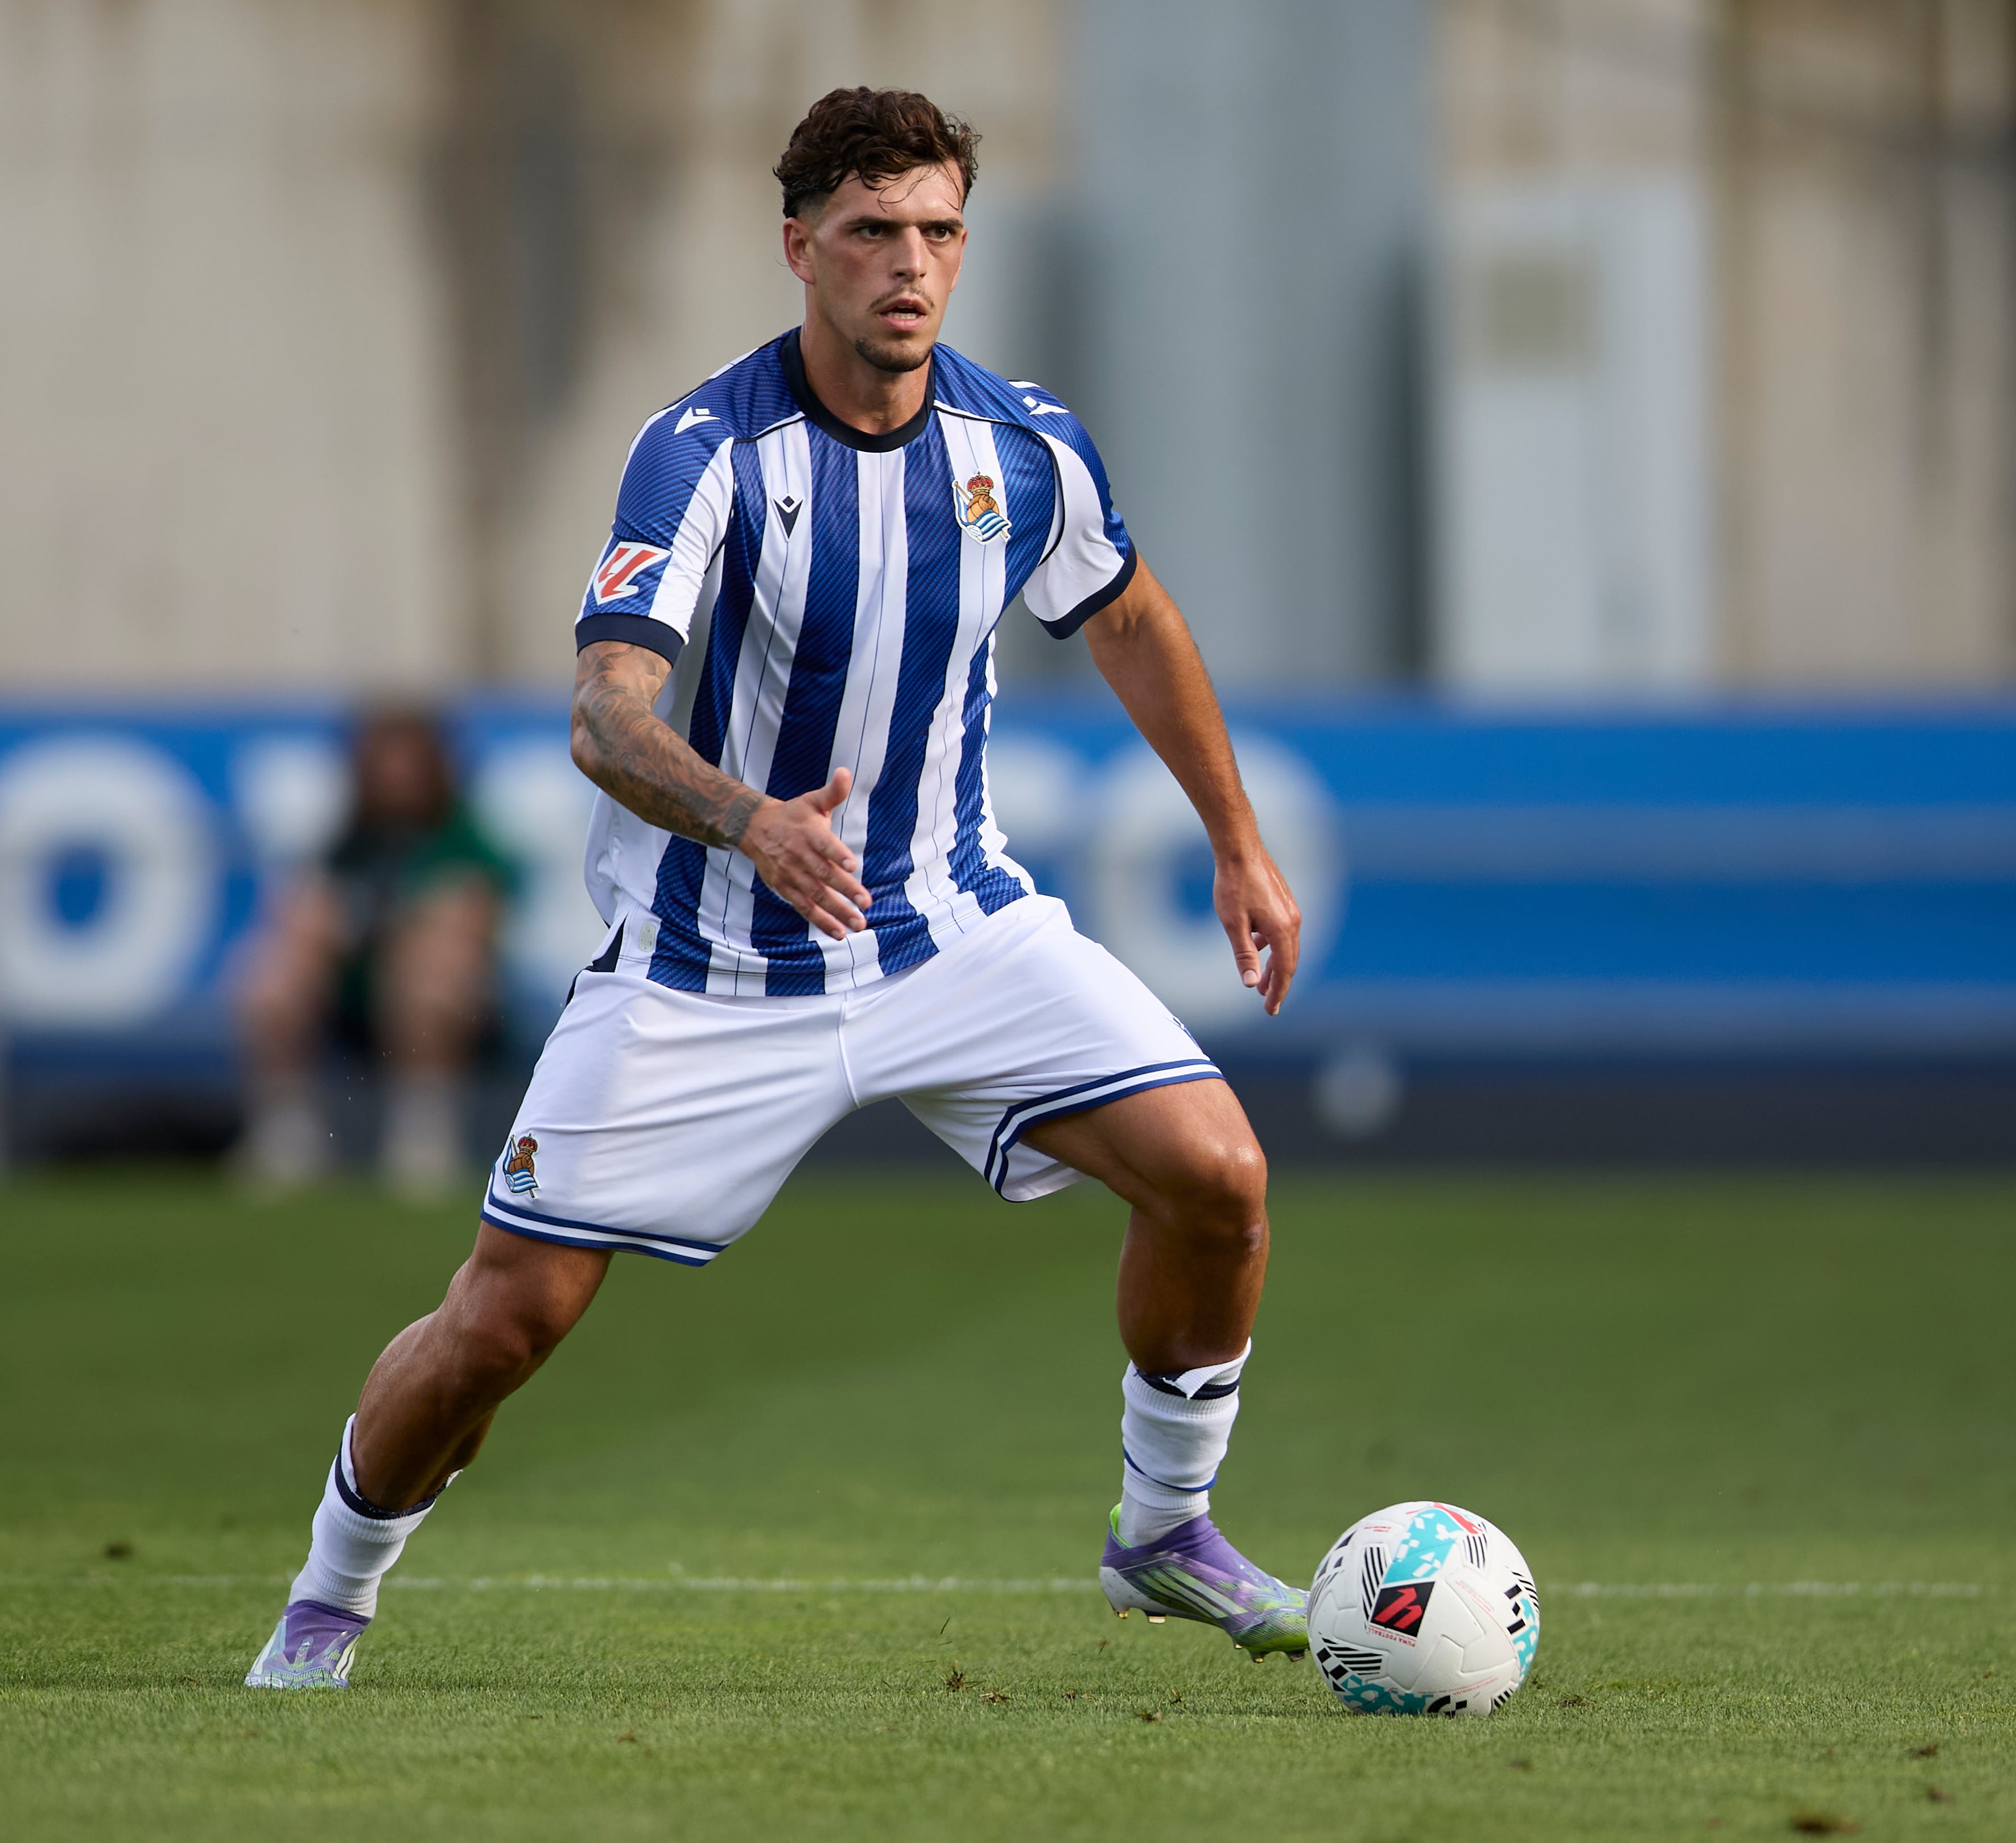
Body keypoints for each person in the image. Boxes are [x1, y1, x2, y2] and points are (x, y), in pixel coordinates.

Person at [246, 88, 1309, 1688]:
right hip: (706, 968)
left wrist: (1235, 835)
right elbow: (608, 711)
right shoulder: (704, 454)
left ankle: (1161, 1529)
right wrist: (752, 821)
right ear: (799, 244)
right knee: (502, 1324)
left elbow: (1133, 616)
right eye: (875, 232)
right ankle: (331, 1589)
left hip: (949, 929)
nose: (912, 266)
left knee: (1220, 1174)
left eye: (941, 231)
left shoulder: (1020, 446)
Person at [234, 706, 517, 1195]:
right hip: (350, 997)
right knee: (271, 974)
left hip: (449, 1014)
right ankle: (288, 1132)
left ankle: (424, 1135)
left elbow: (472, 919)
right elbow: (304, 907)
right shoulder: (347, 842)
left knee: (429, 970)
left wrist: (376, 922)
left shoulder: (465, 839)